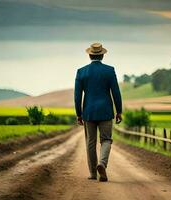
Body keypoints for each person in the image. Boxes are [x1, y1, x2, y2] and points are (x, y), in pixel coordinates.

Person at [74, 43, 122, 182]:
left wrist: (79, 114)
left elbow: (77, 96)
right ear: (102, 55)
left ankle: (93, 173)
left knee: (90, 142)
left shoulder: (81, 72)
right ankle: (102, 163)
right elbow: (116, 93)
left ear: (90, 55)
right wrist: (119, 111)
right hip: (106, 111)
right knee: (106, 139)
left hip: (88, 112)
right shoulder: (109, 70)